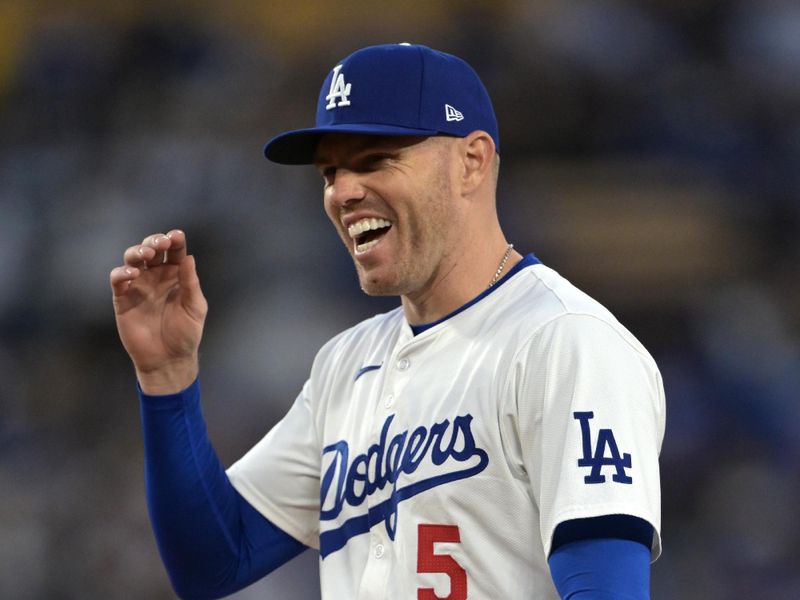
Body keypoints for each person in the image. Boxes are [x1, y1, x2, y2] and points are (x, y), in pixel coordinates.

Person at [110, 43, 665, 599]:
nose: (343, 192)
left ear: (471, 161)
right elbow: (214, 561)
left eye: (375, 160)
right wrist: (168, 378)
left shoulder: (565, 341)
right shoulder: (346, 363)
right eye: (331, 171)